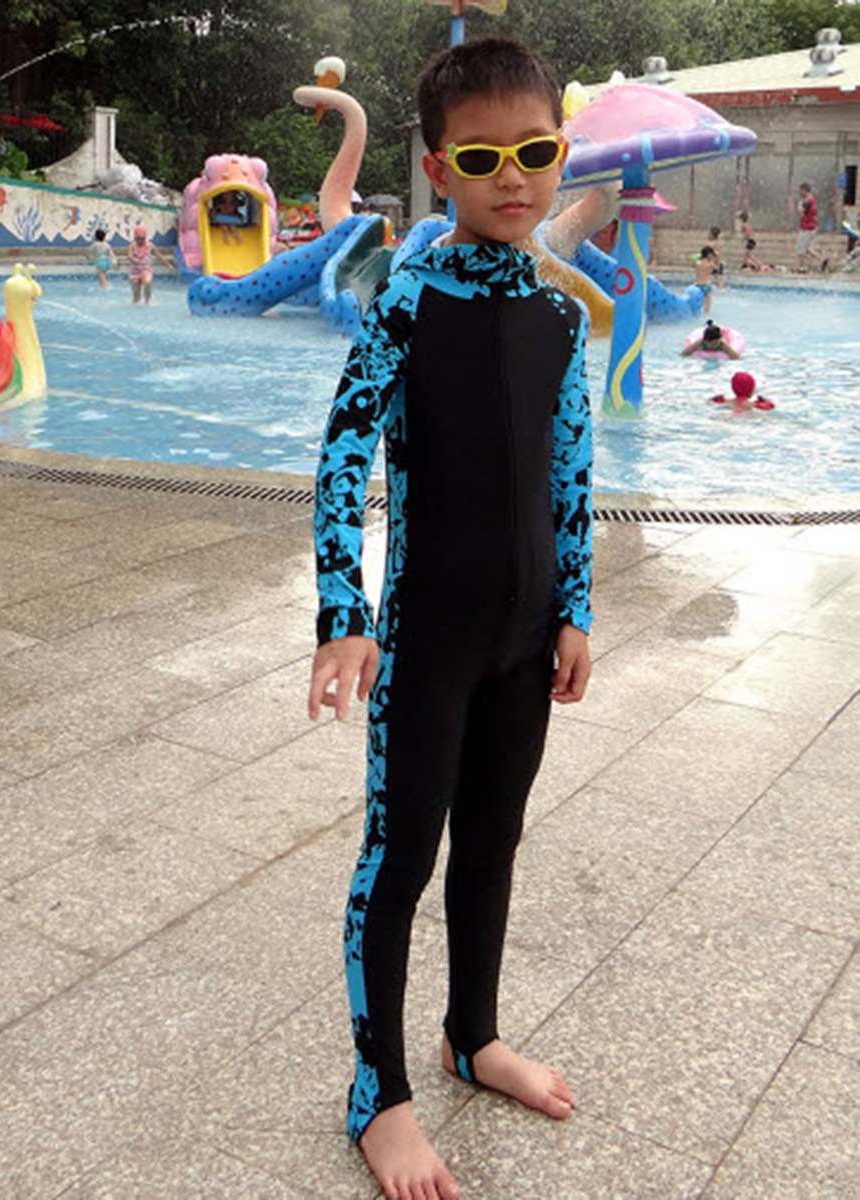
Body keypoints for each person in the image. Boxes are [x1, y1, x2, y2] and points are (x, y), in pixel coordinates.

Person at [308, 34, 591, 1200]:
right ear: (437, 168)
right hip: (425, 638)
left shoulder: (561, 317)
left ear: (558, 154)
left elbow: (569, 471)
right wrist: (343, 614)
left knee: (492, 843)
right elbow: (340, 460)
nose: (511, 177)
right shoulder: (405, 304)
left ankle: (471, 1038)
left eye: (534, 151)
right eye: (480, 157)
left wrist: (574, 607)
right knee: (399, 857)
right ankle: (376, 1095)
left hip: (524, 640)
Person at [126, 223, 174, 304]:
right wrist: (138, 261)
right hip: (135, 271)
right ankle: (135, 304)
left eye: (142, 238)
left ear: (145, 237)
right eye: (138, 239)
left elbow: (159, 255)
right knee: (136, 297)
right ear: (135, 238)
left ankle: (147, 302)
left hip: (146, 269)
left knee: (147, 282)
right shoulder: (132, 246)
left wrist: (168, 265)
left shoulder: (150, 246)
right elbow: (129, 257)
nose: (140, 241)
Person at [796, 182, 827, 273]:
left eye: (801, 191)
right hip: (812, 226)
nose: (800, 193)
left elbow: (801, 212)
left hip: (807, 227)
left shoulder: (807, 201)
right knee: (808, 248)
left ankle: (802, 267)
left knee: (800, 247)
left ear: (805, 191)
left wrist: (799, 204)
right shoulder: (812, 200)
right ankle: (821, 259)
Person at [709, 370, 774, 410]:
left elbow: (710, 401)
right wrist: (764, 401)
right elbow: (770, 406)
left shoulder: (723, 401)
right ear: (751, 389)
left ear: (733, 388)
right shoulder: (752, 405)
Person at [692, 246, 719, 313]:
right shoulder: (710, 264)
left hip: (698, 285)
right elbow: (717, 268)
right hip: (706, 285)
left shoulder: (698, 263)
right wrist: (716, 257)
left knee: (698, 305)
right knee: (707, 307)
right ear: (708, 254)